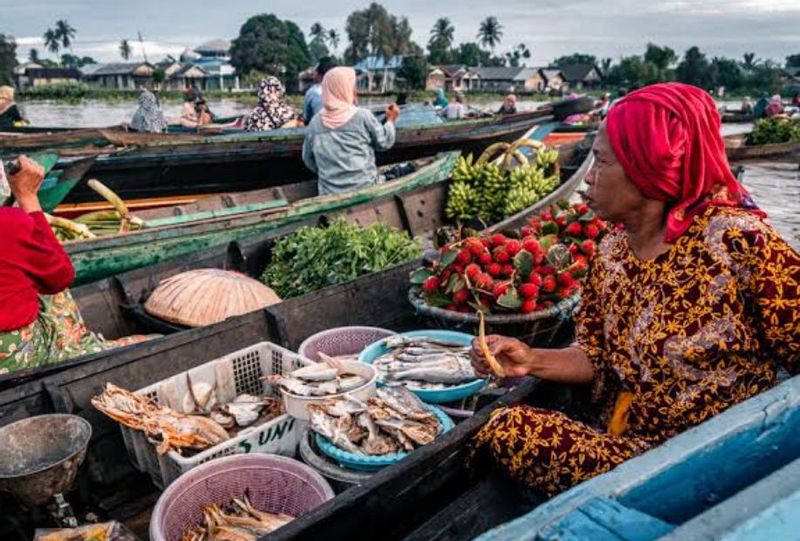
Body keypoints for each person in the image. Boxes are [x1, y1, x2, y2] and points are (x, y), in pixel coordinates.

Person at [469, 82, 800, 497]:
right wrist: (529, 359)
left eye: (602, 163)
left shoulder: (739, 243)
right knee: (506, 430)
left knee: (507, 430)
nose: (587, 179)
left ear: (650, 168)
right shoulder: (612, 250)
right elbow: (597, 356)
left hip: (720, 461)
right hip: (636, 447)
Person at [0, 157, 152, 374]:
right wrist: (28, 198)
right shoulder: (9, 223)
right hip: (13, 362)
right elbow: (60, 276)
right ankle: (77, 345)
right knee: (51, 286)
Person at [302, 67, 399, 195]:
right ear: (345, 89)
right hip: (366, 188)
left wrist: (331, 174)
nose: (355, 91)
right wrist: (391, 120)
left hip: (328, 193)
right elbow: (384, 142)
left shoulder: (315, 123)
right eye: (352, 87)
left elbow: (308, 159)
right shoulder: (363, 116)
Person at [303, 57, 337, 124]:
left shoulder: (313, 92)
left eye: (315, 70)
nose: (313, 73)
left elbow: (306, 118)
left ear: (319, 74)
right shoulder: (341, 90)